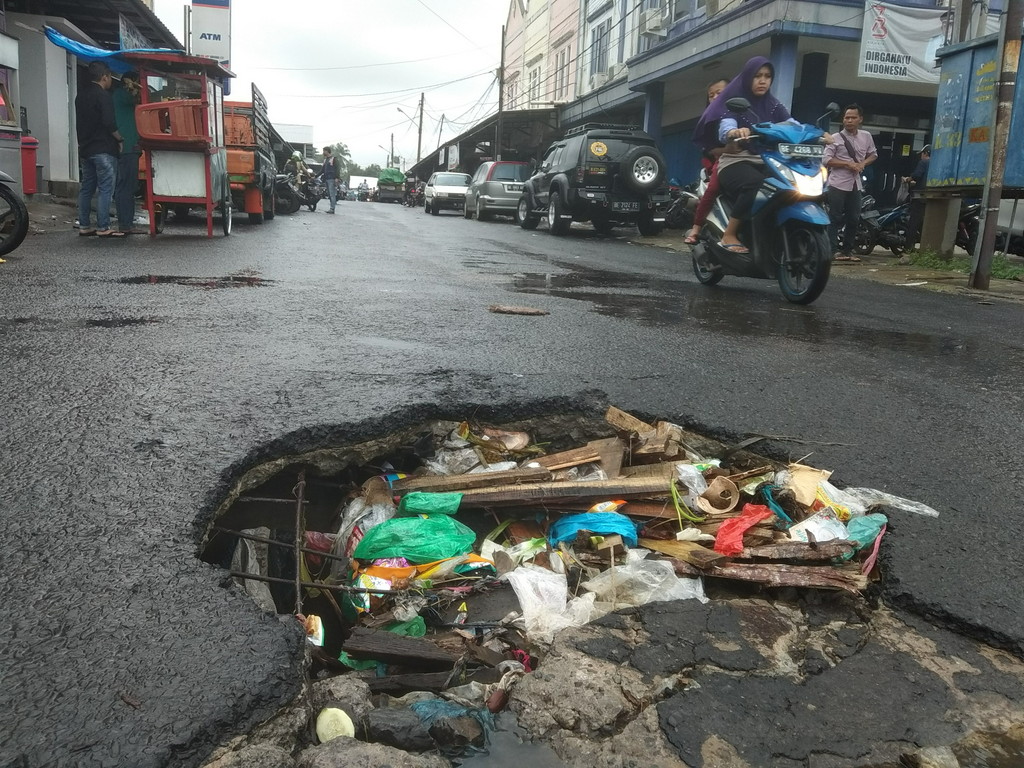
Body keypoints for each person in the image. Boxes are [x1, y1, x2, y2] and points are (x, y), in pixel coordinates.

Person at [692, 56, 806, 253]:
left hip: (768, 160)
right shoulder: (734, 102)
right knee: (754, 184)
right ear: (747, 78)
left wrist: (817, 134)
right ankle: (729, 234)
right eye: (757, 76)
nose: (763, 81)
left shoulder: (773, 104)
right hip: (735, 161)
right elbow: (725, 126)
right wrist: (733, 132)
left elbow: (793, 124)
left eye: (767, 76)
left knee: (792, 185)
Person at [822, 103, 877, 262]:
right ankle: (832, 251)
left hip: (856, 184)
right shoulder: (835, 138)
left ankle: (847, 251)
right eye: (847, 117)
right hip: (837, 183)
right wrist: (846, 164)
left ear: (860, 119)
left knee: (854, 218)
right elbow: (826, 159)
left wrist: (863, 164)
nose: (849, 120)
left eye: (853, 117)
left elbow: (873, 154)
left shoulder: (866, 136)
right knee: (835, 218)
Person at [76, 61, 124, 238]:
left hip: (86, 148)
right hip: (103, 148)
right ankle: (103, 227)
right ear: (105, 77)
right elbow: (109, 122)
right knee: (105, 189)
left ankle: (84, 225)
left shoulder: (80, 96)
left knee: (87, 188)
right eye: (110, 77)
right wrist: (120, 139)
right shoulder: (103, 96)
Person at [684, 78, 729, 245]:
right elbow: (708, 148)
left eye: (720, 93)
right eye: (711, 95)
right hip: (723, 161)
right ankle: (696, 227)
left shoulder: (744, 112)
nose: (716, 97)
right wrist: (729, 150)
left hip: (750, 158)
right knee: (713, 188)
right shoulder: (709, 120)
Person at [112, 71, 142, 234]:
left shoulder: (120, 95)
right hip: (127, 146)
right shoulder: (123, 95)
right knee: (126, 186)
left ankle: (127, 222)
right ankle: (125, 224)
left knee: (127, 186)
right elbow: (138, 98)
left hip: (128, 145)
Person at [904, 144, 930, 249]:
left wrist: (907, 179)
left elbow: (917, 175)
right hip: (932, 198)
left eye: (922, 154)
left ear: (926, 153)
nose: (921, 156)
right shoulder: (938, 164)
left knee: (913, 222)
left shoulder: (924, 162)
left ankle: (908, 248)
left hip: (920, 197)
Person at [321, 146, 339, 214]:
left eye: (324, 151)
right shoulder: (325, 160)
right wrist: (315, 176)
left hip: (332, 179)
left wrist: (337, 178)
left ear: (327, 151)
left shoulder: (334, 159)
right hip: (327, 178)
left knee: (332, 194)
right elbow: (322, 170)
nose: (323, 152)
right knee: (329, 194)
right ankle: (331, 208)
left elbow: (337, 168)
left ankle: (332, 208)